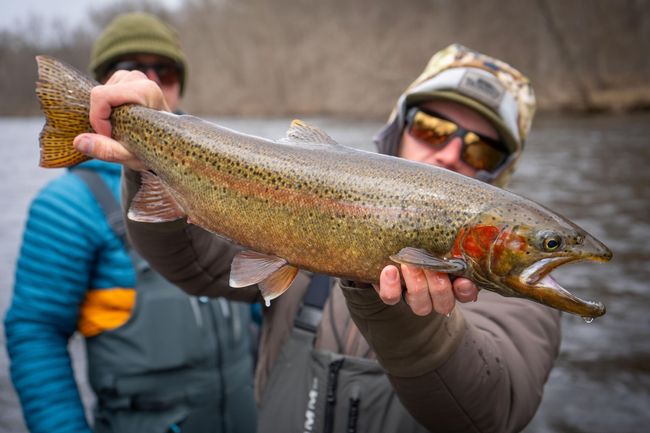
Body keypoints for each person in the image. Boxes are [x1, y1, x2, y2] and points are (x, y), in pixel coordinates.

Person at [69, 44, 560, 433]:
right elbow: (191, 261)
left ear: (502, 173)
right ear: (398, 128)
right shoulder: (314, 202)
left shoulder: (517, 285)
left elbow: (491, 412)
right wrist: (150, 156)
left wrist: (408, 322)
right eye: (432, 128)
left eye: (481, 149)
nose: (451, 153)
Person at [5, 13, 256, 433]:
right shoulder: (66, 206)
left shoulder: (231, 181)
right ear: (103, 84)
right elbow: (36, 334)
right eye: (131, 69)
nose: (150, 81)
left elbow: (263, 299)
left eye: (165, 72)